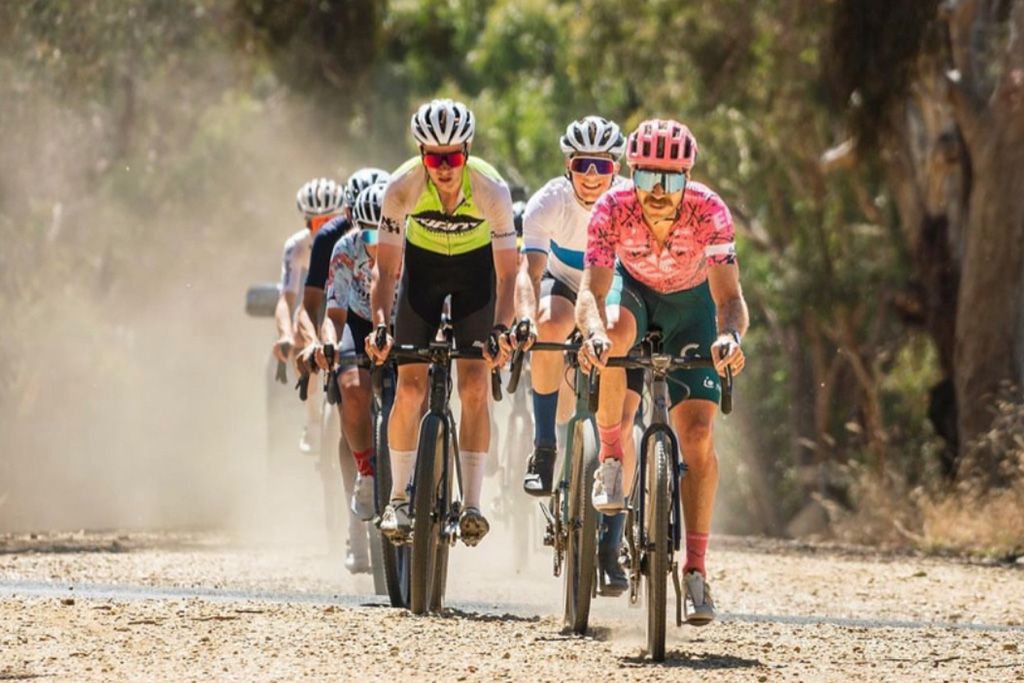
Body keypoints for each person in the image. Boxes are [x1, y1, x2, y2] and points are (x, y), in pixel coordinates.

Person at [575, 119, 748, 625]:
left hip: (691, 304)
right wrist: (592, 334)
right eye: (647, 177)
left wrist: (729, 337)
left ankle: (695, 571)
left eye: (671, 180)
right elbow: (590, 289)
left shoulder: (710, 211)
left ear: (687, 179)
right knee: (612, 333)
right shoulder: (611, 207)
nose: (657, 192)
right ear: (632, 174)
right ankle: (611, 456)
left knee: (696, 434)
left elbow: (731, 299)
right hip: (633, 295)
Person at [367, 98, 517, 547]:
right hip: (423, 273)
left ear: (467, 151)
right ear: (421, 153)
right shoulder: (401, 188)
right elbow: (387, 269)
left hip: (476, 273)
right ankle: (396, 500)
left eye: (453, 157)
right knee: (410, 387)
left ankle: (472, 504)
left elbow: (508, 273)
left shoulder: (493, 191)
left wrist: (500, 330)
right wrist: (380, 325)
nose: (444, 167)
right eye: (433, 157)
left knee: (474, 383)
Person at [515, 116, 639, 595]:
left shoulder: (629, 201)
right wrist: (524, 319)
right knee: (549, 324)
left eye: (602, 165)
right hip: (566, 282)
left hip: (613, 290)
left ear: (616, 167)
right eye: (582, 164)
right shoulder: (549, 201)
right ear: (569, 165)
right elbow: (530, 272)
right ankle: (546, 446)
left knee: (624, 425)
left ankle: (610, 547)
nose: (592, 174)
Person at [318, 181, 393, 524]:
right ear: (356, 230)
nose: (375, 245)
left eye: (383, 235)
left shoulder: (414, 244)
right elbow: (334, 316)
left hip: (402, 320)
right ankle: (366, 470)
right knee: (350, 386)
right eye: (368, 237)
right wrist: (328, 345)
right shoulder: (345, 248)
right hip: (359, 321)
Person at [272, 177, 346, 454]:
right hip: (314, 302)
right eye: (317, 224)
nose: (324, 230)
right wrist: (285, 335)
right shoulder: (297, 246)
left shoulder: (351, 240)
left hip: (341, 301)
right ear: (307, 224)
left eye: (330, 222)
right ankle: (313, 419)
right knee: (300, 332)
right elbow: (286, 298)